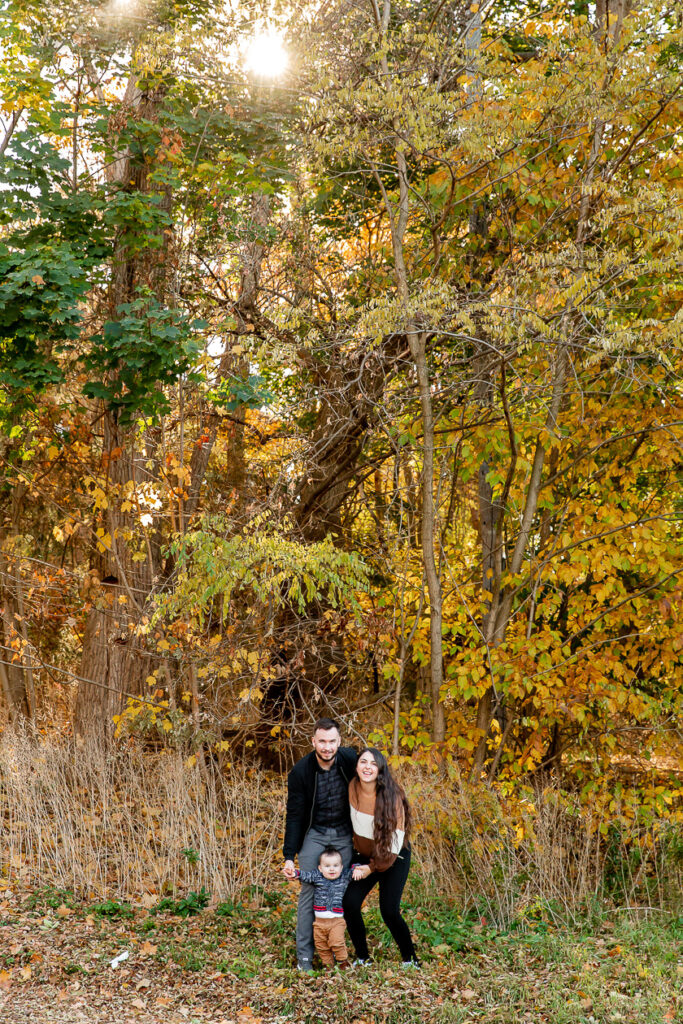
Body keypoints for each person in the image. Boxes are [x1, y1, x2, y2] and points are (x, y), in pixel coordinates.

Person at [282, 718, 358, 971]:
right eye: (322, 741)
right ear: (313, 741)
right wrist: (289, 856)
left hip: (344, 834)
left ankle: (343, 952)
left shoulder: (350, 760)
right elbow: (294, 814)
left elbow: (375, 778)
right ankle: (305, 957)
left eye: (332, 741)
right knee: (309, 889)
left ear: (339, 742)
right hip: (314, 833)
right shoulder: (301, 771)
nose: (327, 747)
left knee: (343, 890)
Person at [342, 747, 419, 966]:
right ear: (356, 766)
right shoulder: (352, 787)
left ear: (381, 769)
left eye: (373, 763)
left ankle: (410, 959)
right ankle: (362, 957)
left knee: (389, 911)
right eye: (363, 762)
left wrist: (372, 867)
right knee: (349, 903)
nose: (368, 767)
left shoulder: (392, 795)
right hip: (366, 857)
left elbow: (394, 842)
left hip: (393, 857)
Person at [293, 845, 363, 969]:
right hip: (319, 922)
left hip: (336, 921)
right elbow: (306, 875)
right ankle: (328, 966)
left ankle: (343, 962)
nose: (332, 869)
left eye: (335, 866)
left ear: (341, 867)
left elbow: (354, 869)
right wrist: (296, 873)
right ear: (320, 868)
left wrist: (356, 868)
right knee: (322, 946)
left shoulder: (344, 877)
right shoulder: (317, 876)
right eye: (327, 866)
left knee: (336, 942)